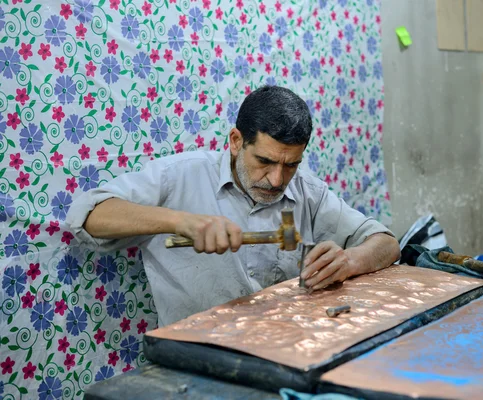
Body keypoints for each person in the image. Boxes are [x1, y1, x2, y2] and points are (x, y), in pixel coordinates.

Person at [66, 86, 400, 326]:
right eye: (265, 161)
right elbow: (88, 216)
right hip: (196, 356)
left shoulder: (307, 191)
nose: (276, 179)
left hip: (284, 344)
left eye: (291, 164)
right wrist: (181, 221)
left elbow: (386, 243)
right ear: (236, 141)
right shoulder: (179, 176)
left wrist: (349, 260)